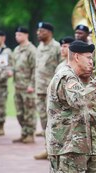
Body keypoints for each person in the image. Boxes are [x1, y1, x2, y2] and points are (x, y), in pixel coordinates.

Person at [46, 40, 96, 172]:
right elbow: (79, 100)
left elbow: (78, 110)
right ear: (76, 57)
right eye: (88, 58)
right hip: (67, 145)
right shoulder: (67, 76)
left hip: (69, 144)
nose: (91, 62)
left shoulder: (70, 75)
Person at [34, 22, 61, 159]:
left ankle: (55, 149)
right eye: (38, 31)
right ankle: (47, 148)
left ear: (49, 32)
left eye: (41, 31)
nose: (38, 33)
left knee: (53, 121)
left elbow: (61, 68)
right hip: (39, 89)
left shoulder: (56, 47)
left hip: (51, 91)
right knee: (44, 121)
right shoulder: (39, 47)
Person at [12, 27, 36, 144]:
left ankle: (30, 134)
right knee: (20, 113)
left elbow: (35, 69)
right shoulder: (16, 49)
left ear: (26, 35)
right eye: (16, 35)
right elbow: (14, 66)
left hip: (28, 87)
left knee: (29, 112)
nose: (17, 37)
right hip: (17, 86)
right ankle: (24, 133)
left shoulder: (31, 50)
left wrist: (32, 85)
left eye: (19, 35)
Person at [0, 30, 13, 136]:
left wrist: (0, 78)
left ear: (3, 38)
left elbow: (5, 68)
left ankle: (0, 126)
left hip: (0, 83)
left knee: (0, 105)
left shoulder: (6, 51)